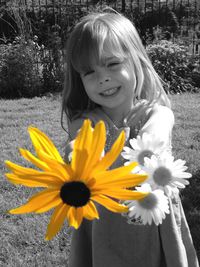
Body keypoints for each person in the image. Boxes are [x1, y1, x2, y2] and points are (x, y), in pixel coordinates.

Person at [61, 9, 199, 267]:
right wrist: (79, 155)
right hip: (103, 224)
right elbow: (80, 141)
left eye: (112, 64)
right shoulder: (84, 120)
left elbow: (156, 135)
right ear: (80, 79)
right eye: (89, 72)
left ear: (136, 61)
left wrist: (146, 151)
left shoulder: (157, 113)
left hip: (154, 220)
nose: (102, 77)